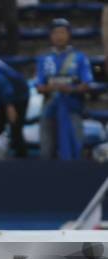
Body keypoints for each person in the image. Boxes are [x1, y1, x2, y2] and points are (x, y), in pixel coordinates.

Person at [36, 18, 93, 160]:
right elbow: (38, 86)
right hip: (49, 109)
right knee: (46, 151)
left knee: (75, 147)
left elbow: (87, 84)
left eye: (62, 32)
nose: (59, 36)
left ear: (69, 35)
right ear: (50, 36)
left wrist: (70, 89)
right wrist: (51, 88)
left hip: (72, 108)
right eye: (55, 32)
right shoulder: (44, 59)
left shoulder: (80, 58)